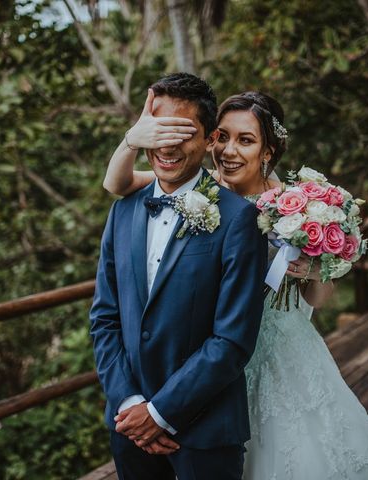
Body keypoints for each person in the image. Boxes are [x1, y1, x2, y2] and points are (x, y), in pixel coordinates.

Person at [103, 86, 368, 479]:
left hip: (276, 352)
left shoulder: (298, 208)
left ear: (268, 151)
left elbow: (316, 298)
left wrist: (314, 268)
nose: (229, 151)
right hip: (206, 355)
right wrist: (134, 139)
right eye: (223, 137)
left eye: (245, 140)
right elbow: (117, 183)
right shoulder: (202, 188)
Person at [89, 72, 268, 480]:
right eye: (158, 131)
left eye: (182, 133)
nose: (167, 146)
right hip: (128, 428)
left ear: (209, 140)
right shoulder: (123, 211)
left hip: (206, 432)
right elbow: (104, 318)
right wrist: (130, 403)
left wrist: (160, 413)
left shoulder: (240, 219)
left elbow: (233, 339)